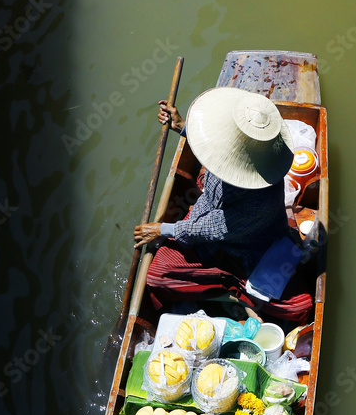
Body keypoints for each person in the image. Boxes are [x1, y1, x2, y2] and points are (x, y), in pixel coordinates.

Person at [133, 87, 314, 324]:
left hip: (249, 249)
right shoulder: (233, 150)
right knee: (156, 276)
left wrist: (161, 229)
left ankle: (235, 292)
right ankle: (233, 290)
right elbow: (212, 145)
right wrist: (181, 126)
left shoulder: (259, 197)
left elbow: (211, 227)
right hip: (211, 233)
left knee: (300, 307)